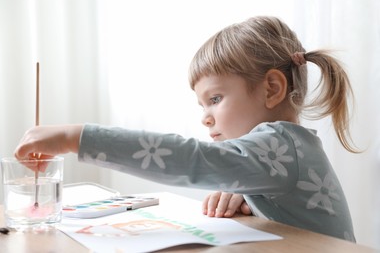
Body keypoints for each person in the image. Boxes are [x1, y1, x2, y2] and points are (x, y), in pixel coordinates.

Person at [14, 16, 358, 242]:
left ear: (271, 89)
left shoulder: (281, 144)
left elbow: (192, 160)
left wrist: (77, 138)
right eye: (202, 105)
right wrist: (251, 195)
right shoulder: (285, 152)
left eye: (216, 98)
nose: (206, 118)